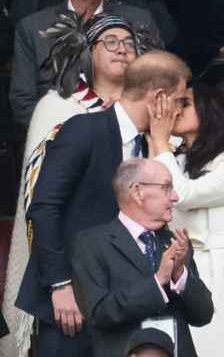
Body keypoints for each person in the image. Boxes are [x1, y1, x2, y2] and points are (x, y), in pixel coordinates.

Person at [15, 50, 191, 357]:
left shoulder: (153, 147)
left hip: (125, 306)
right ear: (158, 97)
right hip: (70, 306)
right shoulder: (84, 129)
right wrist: (60, 284)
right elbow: (44, 208)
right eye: (178, 101)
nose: (179, 111)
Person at [1, 12, 146, 357]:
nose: (122, 49)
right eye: (110, 41)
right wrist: (59, 282)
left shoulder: (151, 115)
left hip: (130, 285)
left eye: (129, 43)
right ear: (87, 52)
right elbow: (41, 204)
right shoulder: (58, 108)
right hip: (71, 280)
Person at [147, 81, 224, 356]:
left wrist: (161, 143)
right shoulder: (176, 158)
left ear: (211, 111)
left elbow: (183, 195)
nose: (176, 110)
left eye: (185, 103)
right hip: (180, 270)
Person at [71, 158, 214, 357]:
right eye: (166, 187)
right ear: (138, 192)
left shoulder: (177, 243)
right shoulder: (92, 243)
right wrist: (157, 282)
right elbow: (98, 312)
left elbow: (204, 314)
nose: (175, 196)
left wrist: (180, 275)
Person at [9, 0, 164, 129]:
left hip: (131, 137)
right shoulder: (33, 27)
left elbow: (162, 86)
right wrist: (77, 132)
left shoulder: (139, 21)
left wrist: (129, 109)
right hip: (60, 146)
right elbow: (22, 102)